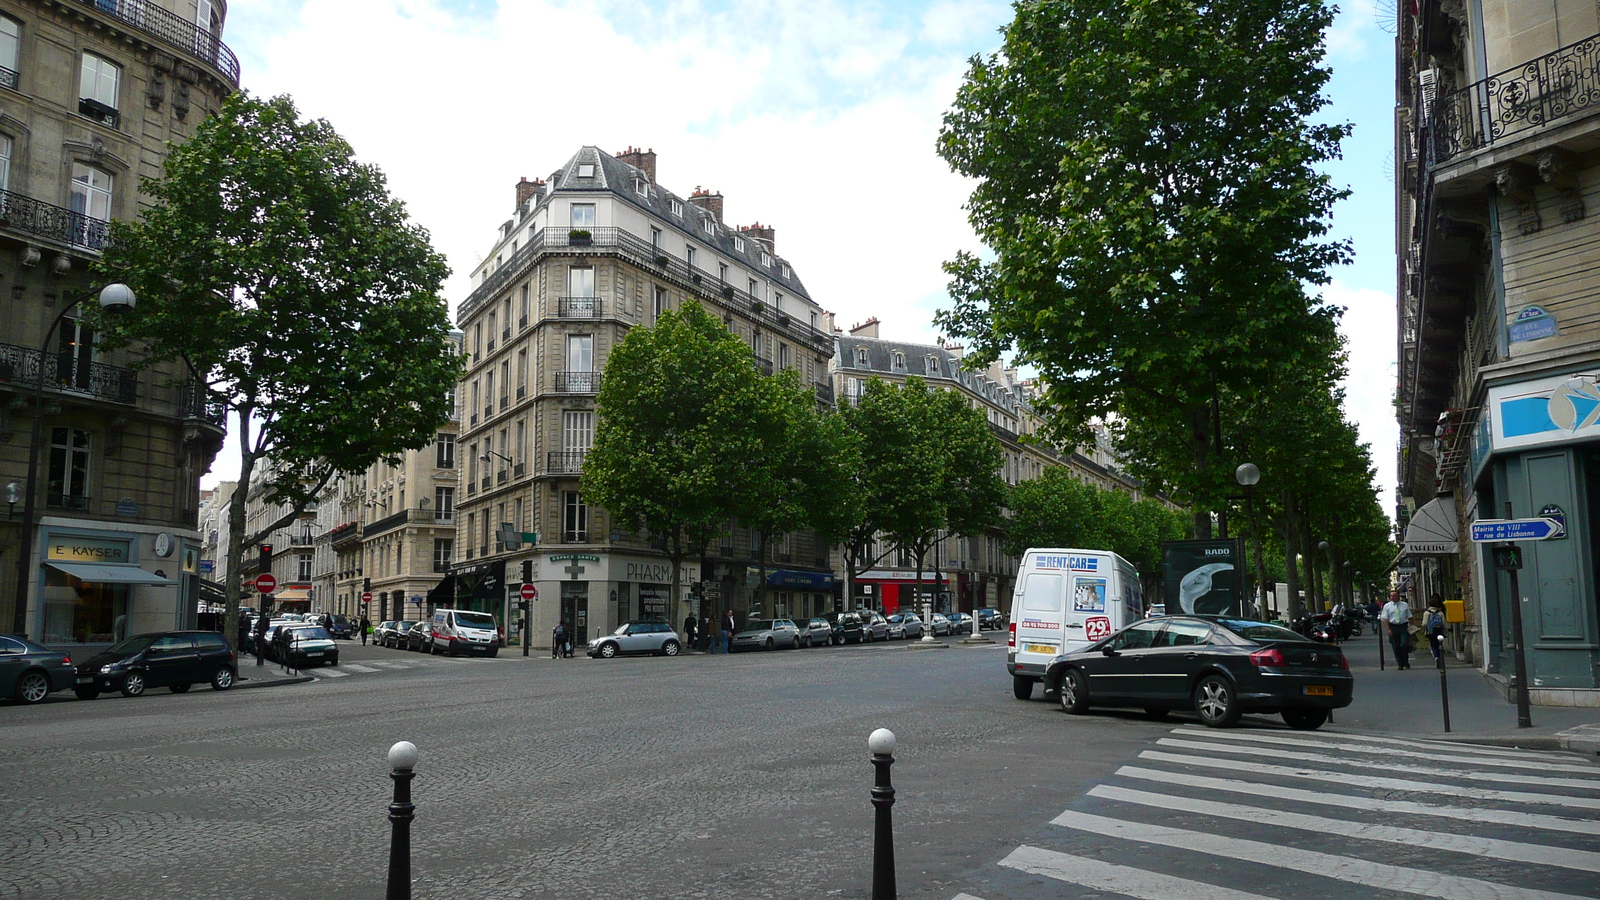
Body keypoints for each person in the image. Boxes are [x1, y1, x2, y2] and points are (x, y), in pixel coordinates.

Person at [1382, 591, 1413, 669]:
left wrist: (1412, 626)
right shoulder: (1387, 606)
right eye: (1391, 596)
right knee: (1396, 646)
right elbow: (1385, 618)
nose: (1393, 597)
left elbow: (1409, 616)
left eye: (1394, 595)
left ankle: (1405, 660)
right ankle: (1400, 663)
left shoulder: (1404, 605)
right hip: (1393, 626)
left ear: (1398, 596)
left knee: (1404, 644)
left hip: (1403, 626)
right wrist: (1388, 629)